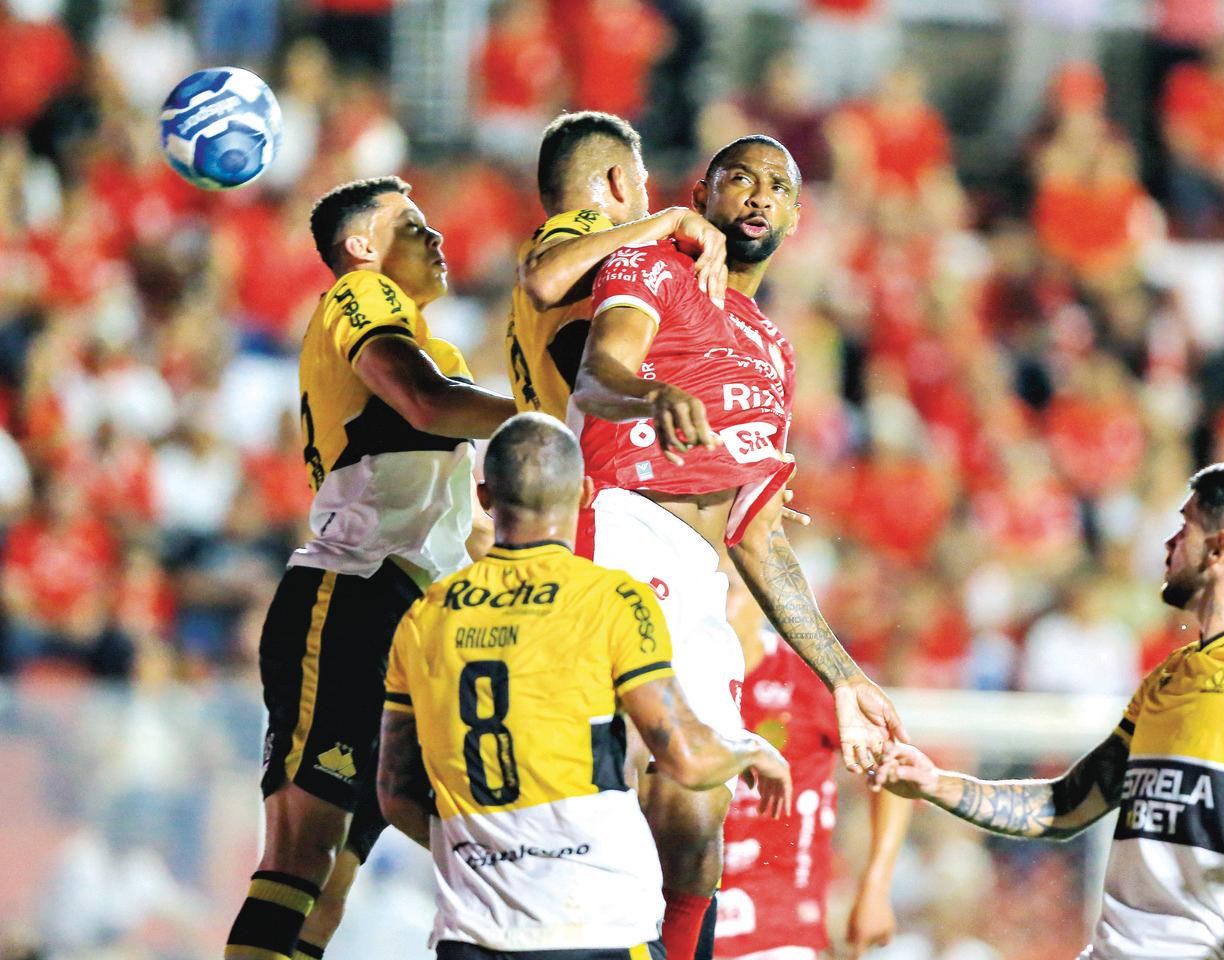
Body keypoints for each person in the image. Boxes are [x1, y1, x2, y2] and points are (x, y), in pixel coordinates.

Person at [572, 134, 906, 960]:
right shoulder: (653, 268)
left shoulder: (775, 350)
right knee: (643, 779)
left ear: (795, 215)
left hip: (701, 573)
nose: (757, 195)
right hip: (626, 527)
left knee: (699, 813)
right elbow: (596, 373)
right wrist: (650, 390)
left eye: (776, 186)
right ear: (705, 193)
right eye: (739, 179)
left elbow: (757, 537)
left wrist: (846, 678)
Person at [873, 461, 1224, 960]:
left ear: (1218, 547)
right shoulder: (1167, 677)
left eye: (1183, 527)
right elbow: (1064, 806)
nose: (1167, 544)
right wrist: (933, 783)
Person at [376, 412, 793, 960]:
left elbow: (395, 792)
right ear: (587, 493)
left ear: (484, 494)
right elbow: (686, 759)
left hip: (473, 932)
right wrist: (752, 749)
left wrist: (489, 848)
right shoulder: (612, 601)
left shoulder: (425, 618)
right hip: (599, 922)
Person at [224, 176, 516, 960]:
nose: (436, 237)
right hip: (347, 594)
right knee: (301, 849)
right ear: (362, 246)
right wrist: (549, 420)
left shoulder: (441, 353)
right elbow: (420, 402)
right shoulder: (359, 297)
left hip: (406, 617)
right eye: (412, 225)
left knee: (336, 873)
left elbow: (464, 520)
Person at [714, 577, 912, 960]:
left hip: (778, 926)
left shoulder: (808, 678)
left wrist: (875, 887)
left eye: (731, 589)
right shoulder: (672, 677)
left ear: (762, 600)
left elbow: (895, 770)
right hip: (679, 911)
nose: (718, 603)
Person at [507, 110, 729, 422]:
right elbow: (546, 280)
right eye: (642, 183)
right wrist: (671, 218)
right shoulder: (585, 226)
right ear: (619, 181)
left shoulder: (534, 273)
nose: (648, 201)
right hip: (597, 462)